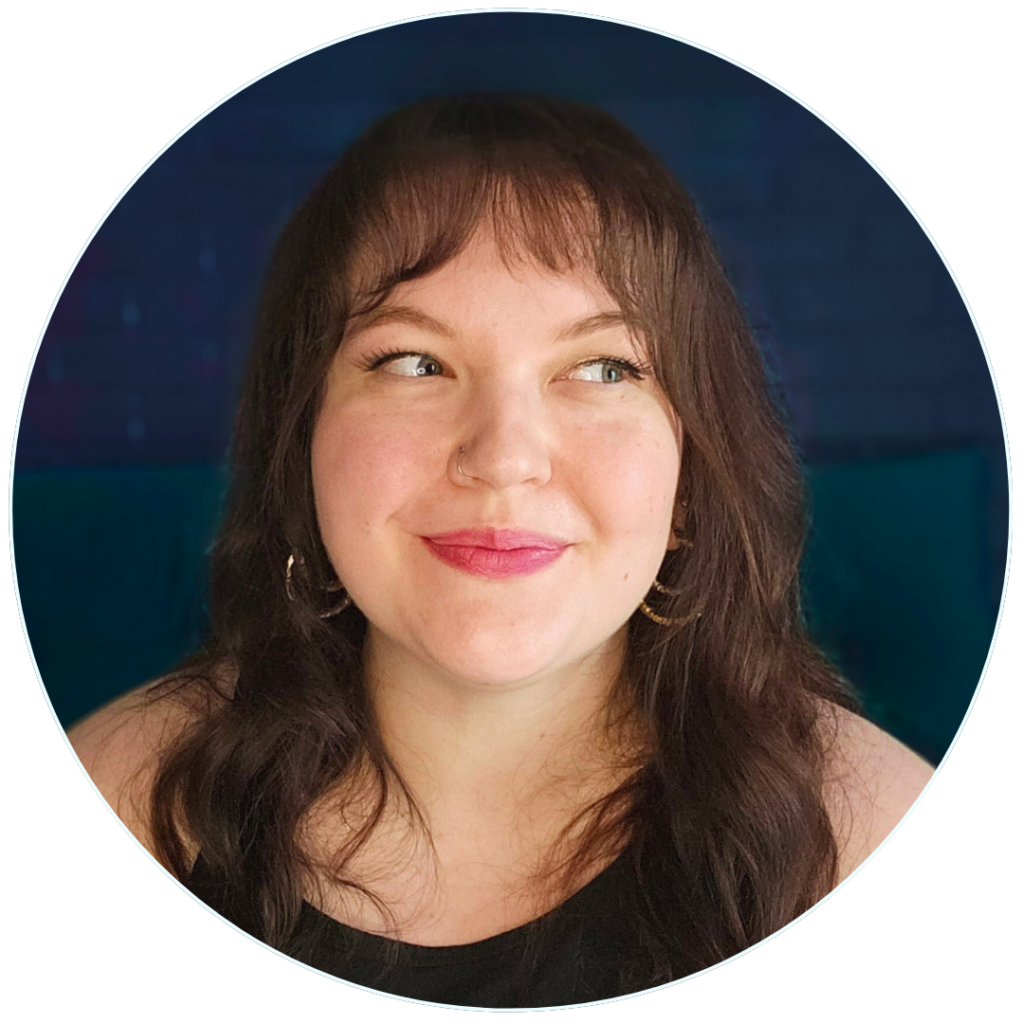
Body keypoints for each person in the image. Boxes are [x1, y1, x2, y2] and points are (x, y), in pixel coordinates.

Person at [68, 95, 933, 1007]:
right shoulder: (111, 810)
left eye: (604, 369)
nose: (504, 457)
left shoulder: (878, 846)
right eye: (413, 362)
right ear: (301, 446)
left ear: (689, 476)